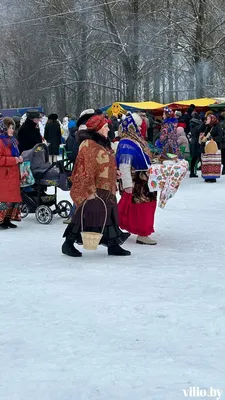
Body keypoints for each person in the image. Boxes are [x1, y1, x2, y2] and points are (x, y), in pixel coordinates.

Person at [62, 114, 131, 257]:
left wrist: (115, 172)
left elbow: (104, 163)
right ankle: (68, 243)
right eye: (105, 127)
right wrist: (89, 190)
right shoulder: (88, 145)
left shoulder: (102, 143)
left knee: (110, 215)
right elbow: (85, 169)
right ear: (98, 128)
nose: (108, 130)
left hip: (107, 187)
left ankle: (113, 245)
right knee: (85, 215)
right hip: (95, 188)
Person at [116, 113, 157, 246]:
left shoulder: (134, 141)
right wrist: (128, 185)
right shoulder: (126, 144)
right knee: (142, 208)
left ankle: (142, 231)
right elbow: (124, 165)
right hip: (136, 182)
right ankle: (142, 233)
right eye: (138, 126)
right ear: (132, 127)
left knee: (143, 207)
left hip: (142, 181)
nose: (140, 129)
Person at [0, 118, 23, 229]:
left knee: (12, 199)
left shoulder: (13, 141)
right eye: (9, 128)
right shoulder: (0, 142)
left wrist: (19, 158)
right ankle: (1, 220)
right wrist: (14, 160)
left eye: (13, 128)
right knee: (5, 199)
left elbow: (15, 155)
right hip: (4, 175)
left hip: (13, 174)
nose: (12, 130)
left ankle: (7, 219)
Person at [199, 114, 223, 183]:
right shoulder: (207, 127)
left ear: (213, 119)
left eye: (209, 119)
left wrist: (212, 138)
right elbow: (200, 130)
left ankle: (213, 177)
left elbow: (220, 136)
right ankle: (206, 176)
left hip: (214, 148)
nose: (207, 120)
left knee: (212, 162)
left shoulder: (217, 127)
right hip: (206, 147)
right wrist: (204, 124)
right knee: (206, 162)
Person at [189, 112, 202, 178]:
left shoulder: (191, 123)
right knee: (197, 157)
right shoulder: (197, 124)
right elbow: (197, 132)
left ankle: (192, 172)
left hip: (193, 141)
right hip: (197, 141)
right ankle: (193, 172)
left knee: (194, 157)